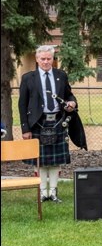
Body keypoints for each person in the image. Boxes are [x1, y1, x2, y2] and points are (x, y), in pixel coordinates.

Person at [18, 45, 86, 202]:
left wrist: (72, 103)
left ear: (53, 59)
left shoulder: (60, 75)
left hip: (57, 121)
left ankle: (53, 192)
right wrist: (25, 128)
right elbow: (22, 104)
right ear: (37, 59)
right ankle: (43, 192)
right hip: (37, 123)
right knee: (40, 161)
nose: (46, 62)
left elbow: (69, 95)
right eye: (43, 59)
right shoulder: (28, 78)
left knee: (56, 161)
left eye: (49, 58)